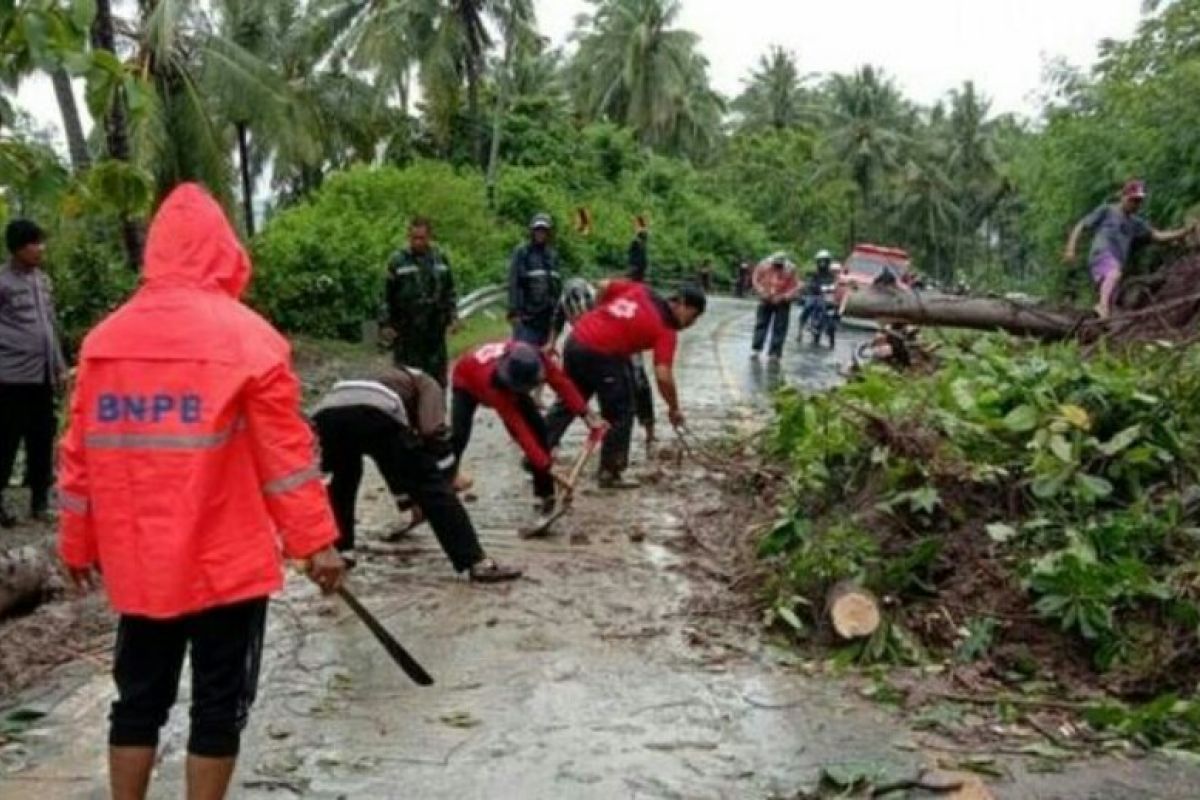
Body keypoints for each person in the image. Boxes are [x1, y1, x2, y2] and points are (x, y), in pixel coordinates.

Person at [56, 183, 347, 800]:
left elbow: (78, 455)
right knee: (218, 706)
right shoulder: (250, 339)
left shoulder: (105, 342)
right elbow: (286, 459)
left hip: (142, 564)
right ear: (224, 250)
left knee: (137, 698)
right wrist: (315, 541)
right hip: (226, 564)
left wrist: (75, 540)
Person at [312, 369, 521, 581]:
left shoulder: (382, 377)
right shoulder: (428, 383)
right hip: (374, 413)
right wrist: (448, 475)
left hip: (327, 415)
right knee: (431, 487)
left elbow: (392, 464)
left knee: (342, 483)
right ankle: (476, 562)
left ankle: (342, 552)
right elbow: (432, 431)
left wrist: (409, 502)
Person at [545, 280, 707, 488]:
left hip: (576, 340)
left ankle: (537, 452)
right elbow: (663, 375)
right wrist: (674, 408)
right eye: (692, 317)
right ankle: (610, 473)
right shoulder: (666, 331)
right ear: (682, 305)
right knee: (621, 412)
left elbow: (603, 286)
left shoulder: (641, 290)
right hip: (603, 353)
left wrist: (600, 313)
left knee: (570, 401)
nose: (689, 325)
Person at [452, 340, 605, 514]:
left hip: (505, 376)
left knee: (540, 429)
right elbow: (520, 431)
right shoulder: (495, 387)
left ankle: (545, 496)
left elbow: (562, 383)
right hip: (467, 380)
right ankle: (447, 479)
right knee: (459, 435)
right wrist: (548, 466)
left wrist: (586, 414)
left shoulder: (537, 358)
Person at [0, 219, 66, 527]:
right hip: (11, 377)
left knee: (42, 438)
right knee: (6, 439)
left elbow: (50, 326)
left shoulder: (42, 281)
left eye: (41, 242)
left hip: (42, 375)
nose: (41, 249)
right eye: (34, 243)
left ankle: (40, 501)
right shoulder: (2, 282)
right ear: (17, 248)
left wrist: (59, 366)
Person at [1064, 180, 1195, 319]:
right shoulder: (1107, 210)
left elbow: (1157, 235)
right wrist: (1071, 248)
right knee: (1114, 274)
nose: (1136, 205)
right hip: (1101, 254)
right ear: (1123, 197)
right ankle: (1101, 307)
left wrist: (1184, 232)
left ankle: (1100, 320)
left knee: (1113, 295)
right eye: (1133, 200)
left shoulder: (1135, 223)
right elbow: (1081, 225)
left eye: (1139, 201)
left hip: (1116, 262)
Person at [384, 217, 457, 385]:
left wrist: (453, 316)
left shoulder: (440, 259)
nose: (417, 242)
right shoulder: (397, 261)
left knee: (436, 378)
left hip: (434, 329)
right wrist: (386, 324)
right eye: (413, 238)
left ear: (429, 237)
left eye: (421, 238)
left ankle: (436, 408)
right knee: (406, 377)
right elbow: (387, 296)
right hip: (406, 330)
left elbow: (449, 291)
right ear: (408, 237)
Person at [508, 213, 563, 347]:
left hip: (547, 318)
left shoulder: (553, 255)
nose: (540, 234)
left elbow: (557, 285)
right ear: (532, 231)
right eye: (538, 230)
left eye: (544, 231)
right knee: (524, 355)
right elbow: (514, 283)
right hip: (527, 318)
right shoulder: (522, 252)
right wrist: (514, 312)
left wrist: (558, 314)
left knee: (544, 358)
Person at [750, 253, 799, 361]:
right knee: (761, 324)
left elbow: (795, 286)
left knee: (780, 327)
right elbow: (755, 279)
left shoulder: (790, 269)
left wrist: (784, 297)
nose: (777, 267)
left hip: (782, 301)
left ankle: (775, 352)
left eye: (779, 265)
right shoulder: (764, 265)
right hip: (765, 298)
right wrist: (761, 291)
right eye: (775, 264)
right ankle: (756, 348)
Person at [798, 249, 837, 328]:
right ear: (818, 261)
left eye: (825, 261)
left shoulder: (831, 274)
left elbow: (834, 282)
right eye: (821, 261)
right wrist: (812, 285)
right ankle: (801, 325)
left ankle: (830, 325)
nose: (823, 263)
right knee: (808, 306)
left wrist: (834, 287)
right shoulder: (813, 272)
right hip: (813, 294)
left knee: (832, 308)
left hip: (826, 296)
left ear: (828, 261)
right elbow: (809, 281)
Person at [628, 216, 649, 283]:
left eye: (635, 223)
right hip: (635, 261)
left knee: (636, 279)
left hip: (638, 261)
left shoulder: (642, 233)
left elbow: (640, 246)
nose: (634, 225)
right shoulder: (637, 234)